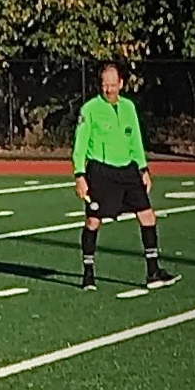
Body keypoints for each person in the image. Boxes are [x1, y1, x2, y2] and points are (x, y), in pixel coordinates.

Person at [72, 63, 177, 291]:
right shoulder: (89, 110)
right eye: (104, 85)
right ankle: (88, 274)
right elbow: (80, 145)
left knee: (147, 216)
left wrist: (143, 168)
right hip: (101, 171)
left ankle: (153, 272)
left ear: (121, 83)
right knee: (93, 221)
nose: (108, 89)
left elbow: (135, 140)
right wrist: (79, 174)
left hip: (127, 170)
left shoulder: (128, 107)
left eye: (112, 84)